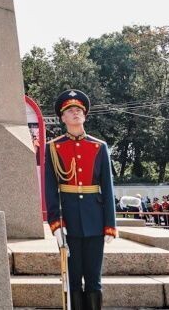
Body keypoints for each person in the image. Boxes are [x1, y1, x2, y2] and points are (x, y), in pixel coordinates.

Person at [44, 89, 116, 310]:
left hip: (95, 219)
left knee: (94, 279)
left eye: (79, 110)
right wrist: (55, 224)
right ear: (62, 118)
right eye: (70, 110)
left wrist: (110, 225)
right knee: (73, 279)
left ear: (85, 115)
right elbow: (50, 189)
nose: (75, 113)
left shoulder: (99, 146)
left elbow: (107, 189)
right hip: (69, 221)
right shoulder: (53, 148)